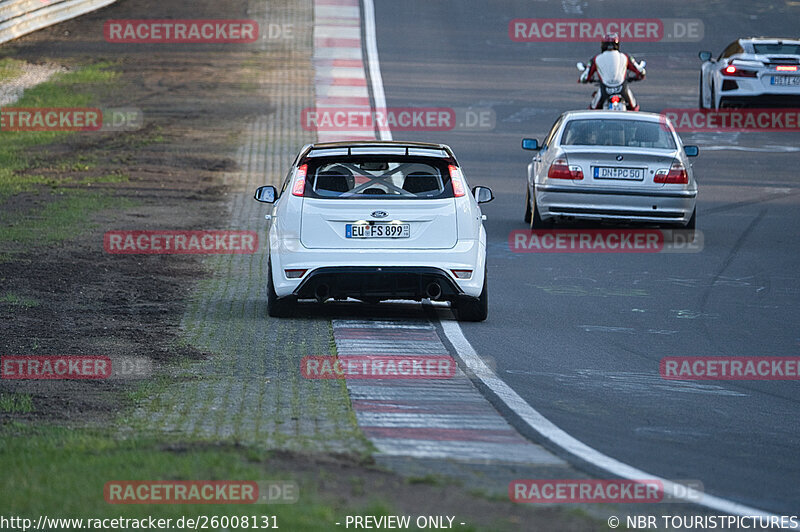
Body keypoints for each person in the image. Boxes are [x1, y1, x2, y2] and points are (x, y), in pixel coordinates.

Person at [579, 33, 646, 111]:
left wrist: (586, 80)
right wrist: (639, 76)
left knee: (592, 111)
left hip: (604, 90)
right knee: (634, 109)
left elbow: (584, 77)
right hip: (622, 89)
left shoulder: (596, 59)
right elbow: (640, 71)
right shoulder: (625, 57)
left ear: (603, 45)